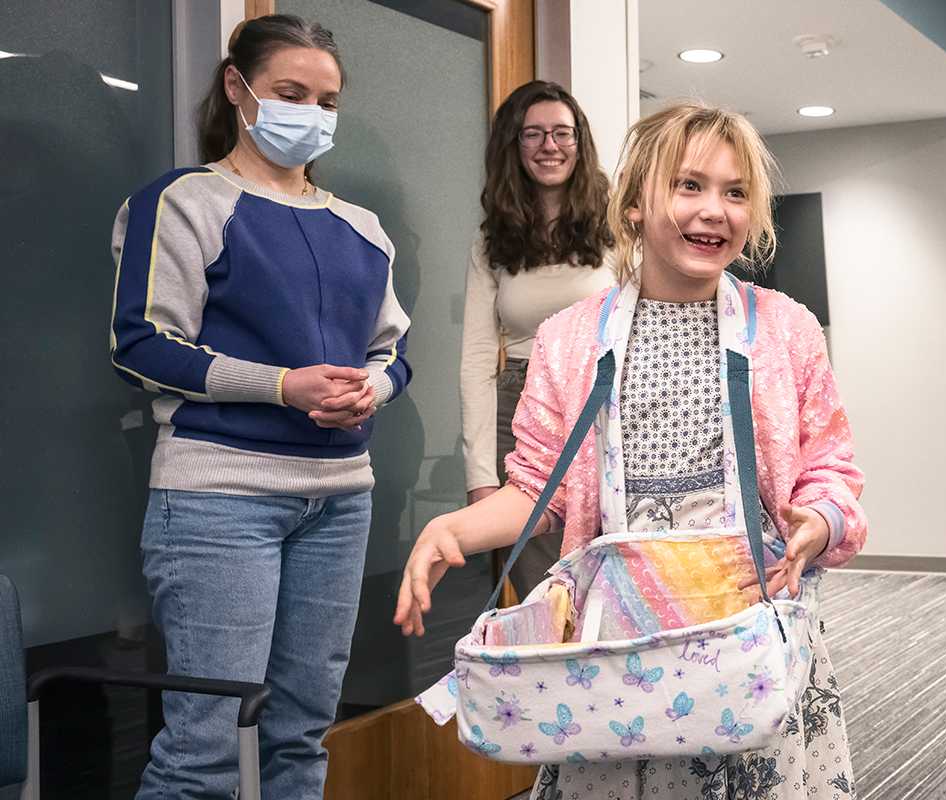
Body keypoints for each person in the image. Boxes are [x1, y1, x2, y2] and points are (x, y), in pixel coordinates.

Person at [396, 101, 866, 799]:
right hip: (620, 649)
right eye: (689, 186)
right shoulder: (568, 340)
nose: (715, 211)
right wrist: (453, 529)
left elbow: (832, 468)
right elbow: (537, 487)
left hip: (746, 633)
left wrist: (819, 521)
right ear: (635, 203)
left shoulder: (786, 329)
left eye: (736, 193)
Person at [109, 15, 411, 798]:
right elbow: (140, 344)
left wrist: (371, 388)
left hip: (340, 500)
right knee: (205, 748)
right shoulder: (183, 202)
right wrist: (282, 385)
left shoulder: (364, 229)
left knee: (302, 736)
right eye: (290, 93)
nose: (311, 113)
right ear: (237, 88)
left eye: (326, 100)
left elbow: (393, 351)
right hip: (218, 498)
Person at [460, 80, 615, 598]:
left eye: (562, 133)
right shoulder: (491, 240)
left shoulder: (619, 224)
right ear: (514, 145)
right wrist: (480, 472)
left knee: (614, 562)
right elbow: (478, 359)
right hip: (523, 409)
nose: (550, 146)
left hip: (608, 401)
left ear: (580, 141)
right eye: (533, 134)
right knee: (541, 582)